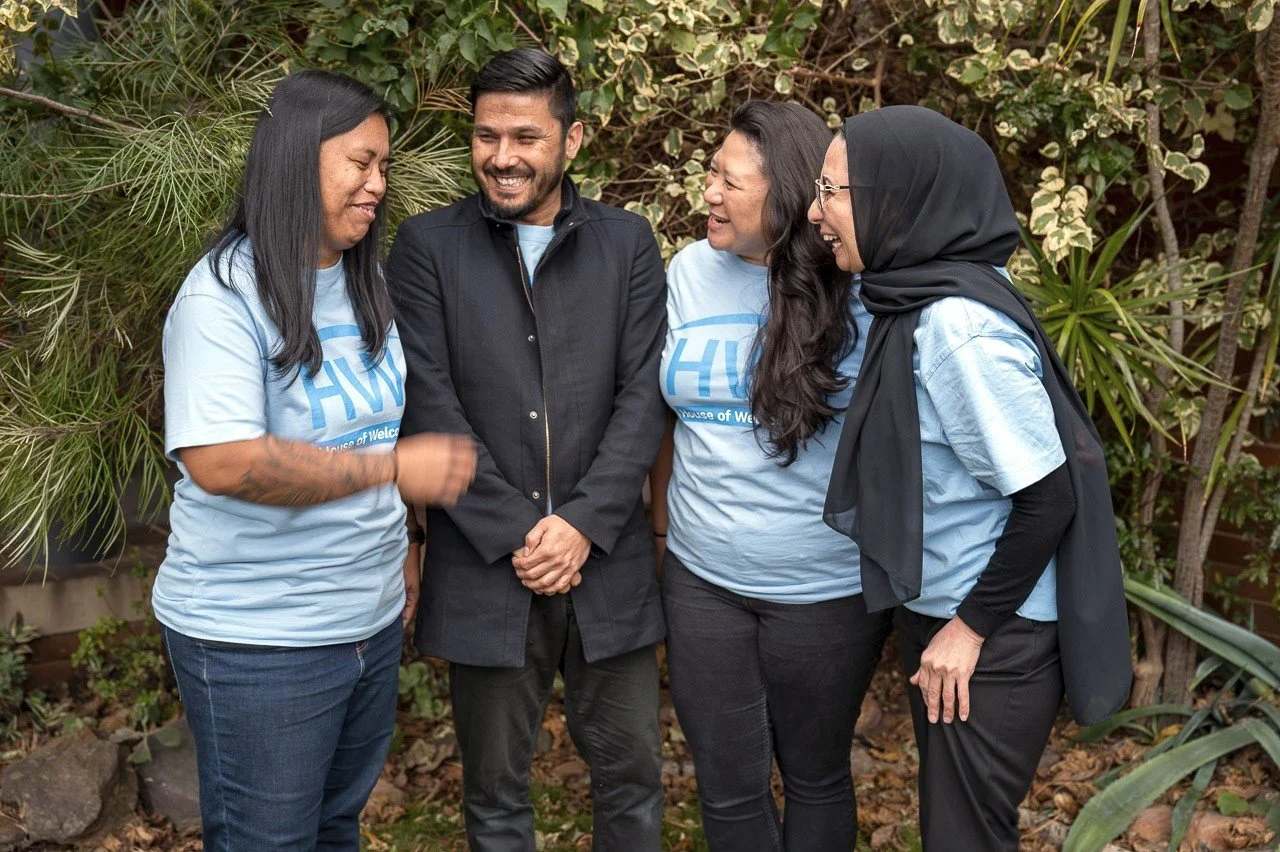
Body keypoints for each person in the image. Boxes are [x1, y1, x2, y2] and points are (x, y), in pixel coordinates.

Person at [154, 69, 477, 851]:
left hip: (359, 625)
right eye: (360, 162)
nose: (378, 185)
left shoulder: (360, 284)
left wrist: (404, 541)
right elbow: (226, 462)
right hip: (257, 640)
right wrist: (396, 472)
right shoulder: (221, 299)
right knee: (269, 841)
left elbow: (366, 429)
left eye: (384, 166)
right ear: (300, 158)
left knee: (335, 829)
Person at [811, 105, 1131, 851]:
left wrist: (968, 628)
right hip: (959, 614)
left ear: (898, 202)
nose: (813, 210)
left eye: (832, 191)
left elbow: (1047, 498)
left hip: (993, 633)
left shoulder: (957, 328)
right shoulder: (916, 292)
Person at [386, 49, 668, 851]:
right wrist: (522, 532)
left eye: (524, 136)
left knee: (633, 786)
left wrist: (580, 524)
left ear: (572, 140)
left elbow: (643, 397)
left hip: (605, 562)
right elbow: (426, 402)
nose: (502, 157)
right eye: (485, 136)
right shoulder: (425, 248)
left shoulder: (627, 245)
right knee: (497, 800)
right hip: (484, 568)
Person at [648, 101, 892, 851]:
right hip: (701, 580)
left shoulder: (859, 285)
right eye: (709, 175)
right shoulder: (687, 272)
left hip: (824, 590)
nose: (708, 195)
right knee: (725, 787)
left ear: (785, 193)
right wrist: (661, 532)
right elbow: (661, 418)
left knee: (816, 775)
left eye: (730, 181)